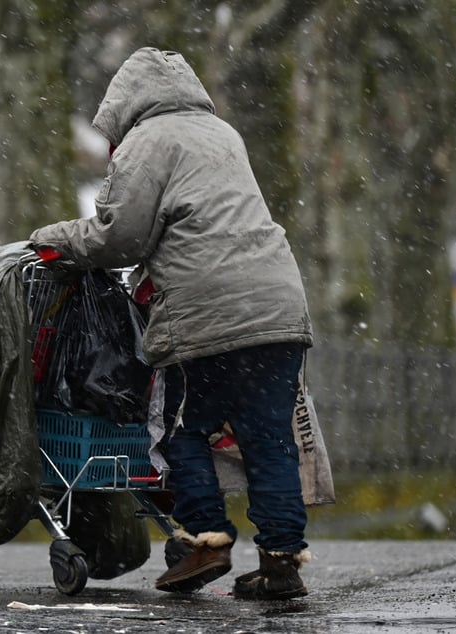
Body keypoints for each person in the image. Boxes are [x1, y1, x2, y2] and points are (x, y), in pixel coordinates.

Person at [29, 47, 314, 600]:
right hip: (279, 306)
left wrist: (53, 238)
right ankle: (281, 563)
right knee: (269, 441)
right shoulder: (222, 133)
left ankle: (205, 540)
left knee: (180, 429)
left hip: (206, 309)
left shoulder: (146, 140)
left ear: (124, 104)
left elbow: (121, 237)